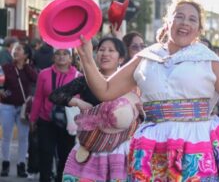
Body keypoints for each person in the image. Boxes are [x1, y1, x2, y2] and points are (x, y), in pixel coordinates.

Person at [76, 0, 219, 181]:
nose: (185, 22)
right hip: (154, 146)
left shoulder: (208, 59)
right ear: (168, 22)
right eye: (179, 16)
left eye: (192, 19)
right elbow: (105, 90)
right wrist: (87, 59)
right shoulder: (146, 57)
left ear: (198, 29)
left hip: (197, 142)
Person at [49, 37, 139, 181]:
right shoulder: (86, 80)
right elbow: (55, 95)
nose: (105, 54)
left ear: (121, 59)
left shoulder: (129, 82)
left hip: (120, 150)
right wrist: (78, 102)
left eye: (111, 50)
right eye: (101, 50)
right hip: (91, 147)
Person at [29, 48, 80, 182]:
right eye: (58, 54)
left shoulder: (78, 76)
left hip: (67, 123)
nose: (61, 57)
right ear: (53, 57)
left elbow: (79, 101)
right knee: (45, 155)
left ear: (71, 58)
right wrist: (33, 119)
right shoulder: (44, 74)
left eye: (65, 54)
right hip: (46, 121)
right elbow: (38, 97)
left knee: (65, 157)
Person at [0, 42, 37, 178]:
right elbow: (0, 81)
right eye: (14, 49)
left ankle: (21, 165)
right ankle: (5, 164)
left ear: (25, 54)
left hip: (23, 108)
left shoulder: (29, 68)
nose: (15, 51)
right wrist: (1, 91)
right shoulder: (6, 67)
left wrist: (26, 66)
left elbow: (36, 79)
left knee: (23, 137)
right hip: (7, 106)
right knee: (6, 137)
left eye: (19, 49)